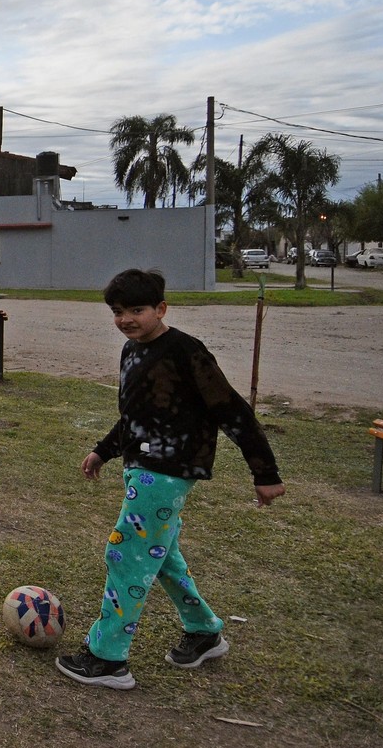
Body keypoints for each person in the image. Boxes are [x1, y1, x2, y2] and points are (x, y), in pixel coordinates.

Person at [56, 268, 285, 691]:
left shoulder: (185, 351)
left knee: (125, 555)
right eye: (118, 312)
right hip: (141, 467)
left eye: (137, 310)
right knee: (161, 557)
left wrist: (265, 472)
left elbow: (231, 409)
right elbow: (134, 416)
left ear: (161, 308)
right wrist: (103, 450)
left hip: (168, 470)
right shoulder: (132, 351)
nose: (126, 319)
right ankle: (204, 629)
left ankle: (107, 658)